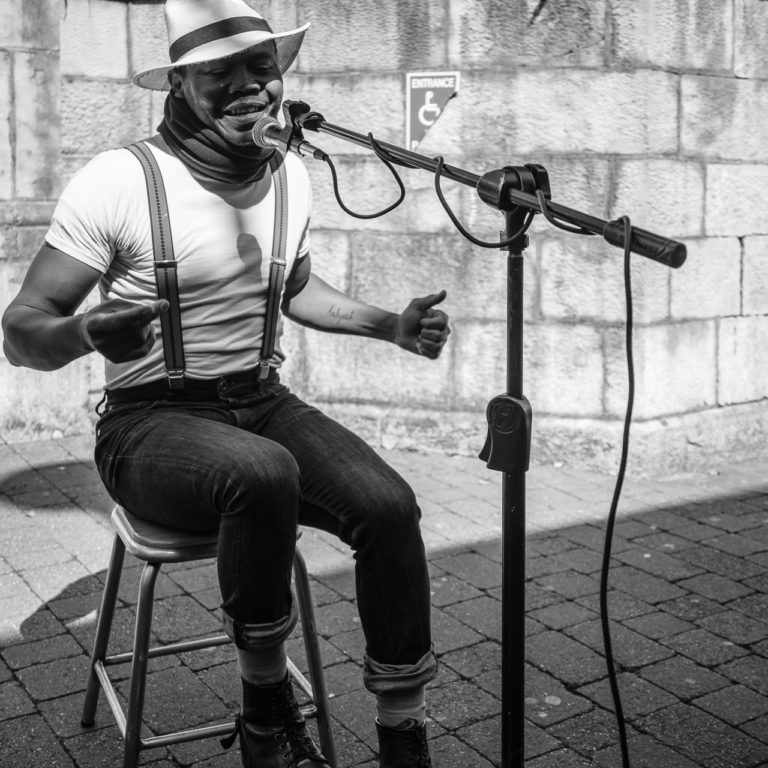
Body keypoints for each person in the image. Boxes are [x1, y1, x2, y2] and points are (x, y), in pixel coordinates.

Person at [2, 1, 451, 767]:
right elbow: (21, 330)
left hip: (261, 401)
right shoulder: (121, 180)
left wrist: (389, 326)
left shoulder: (292, 178)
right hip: (148, 427)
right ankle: (265, 705)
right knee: (262, 474)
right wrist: (85, 332)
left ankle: (401, 727)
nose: (248, 86)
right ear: (179, 84)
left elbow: (293, 288)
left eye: (261, 67)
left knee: (388, 505)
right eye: (220, 73)